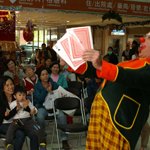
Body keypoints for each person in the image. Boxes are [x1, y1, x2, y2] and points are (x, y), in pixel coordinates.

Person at [67, 33, 150, 149]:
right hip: (101, 116)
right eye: (144, 36)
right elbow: (99, 71)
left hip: (118, 124)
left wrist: (101, 65)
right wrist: (72, 63)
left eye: (148, 38)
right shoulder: (134, 62)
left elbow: (127, 76)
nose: (142, 40)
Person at [33, 67, 71, 149]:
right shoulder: (37, 86)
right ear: (39, 77)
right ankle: (42, 138)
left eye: (46, 74)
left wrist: (61, 92)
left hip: (54, 106)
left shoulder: (52, 83)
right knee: (39, 117)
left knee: (62, 116)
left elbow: (60, 90)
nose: (45, 76)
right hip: (42, 107)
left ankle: (64, 139)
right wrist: (46, 90)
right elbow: (39, 99)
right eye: (43, 75)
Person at [0, 76, 39, 150]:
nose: (10, 87)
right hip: (4, 123)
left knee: (34, 133)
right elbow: (6, 117)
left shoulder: (18, 95)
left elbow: (28, 109)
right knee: (20, 134)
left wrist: (29, 109)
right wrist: (16, 109)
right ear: (2, 88)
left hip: (21, 122)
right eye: (7, 85)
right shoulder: (1, 99)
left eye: (11, 84)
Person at [5, 85, 46, 150]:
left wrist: (33, 111)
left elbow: (34, 109)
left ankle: (42, 142)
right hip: (17, 121)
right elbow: (8, 112)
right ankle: (9, 143)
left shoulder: (28, 102)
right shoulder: (13, 103)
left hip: (28, 120)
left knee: (38, 127)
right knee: (11, 129)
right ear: (15, 96)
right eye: (20, 95)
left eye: (24, 95)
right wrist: (7, 112)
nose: (22, 97)